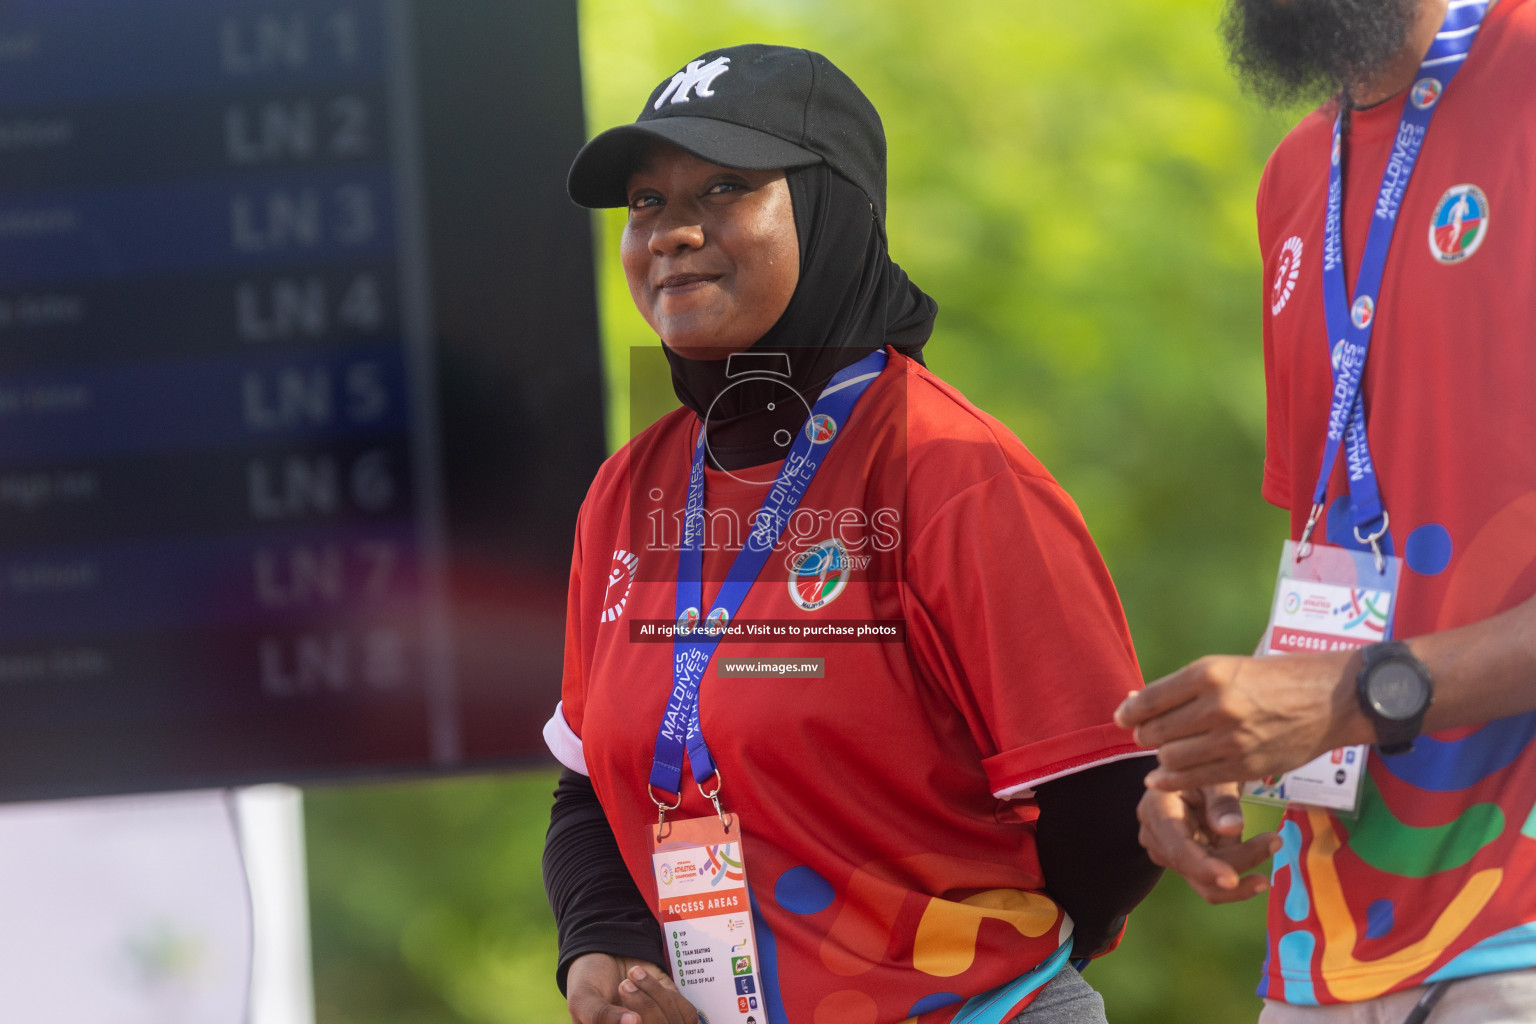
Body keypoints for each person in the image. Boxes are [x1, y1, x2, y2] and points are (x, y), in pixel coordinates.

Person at [541, 44, 1161, 1024]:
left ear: (834, 209)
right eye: (647, 202)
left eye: (726, 187)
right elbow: (590, 792)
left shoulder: (951, 470)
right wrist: (602, 962)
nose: (671, 231)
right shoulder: (628, 492)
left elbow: (1108, 799)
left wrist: (944, 973)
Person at [1114, 0, 1536, 1020]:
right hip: (1333, 935)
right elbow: (1340, 546)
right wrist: (1232, 747)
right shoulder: (1299, 176)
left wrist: (1354, 697)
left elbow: (1350, 683)